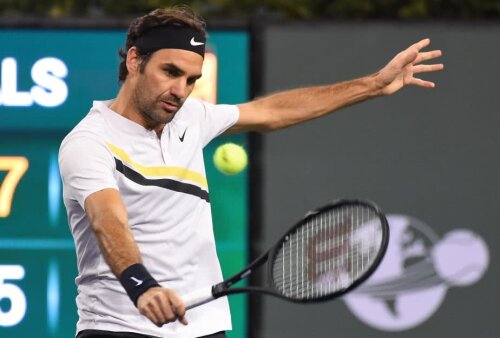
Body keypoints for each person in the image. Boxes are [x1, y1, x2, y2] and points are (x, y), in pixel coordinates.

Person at [58, 5, 443, 338]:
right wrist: (142, 286)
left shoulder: (192, 118)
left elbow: (273, 111)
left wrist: (372, 85)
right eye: (170, 72)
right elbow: (107, 219)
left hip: (204, 326)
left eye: (192, 79)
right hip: (118, 326)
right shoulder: (89, 141)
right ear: (134, 61)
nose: (180, 90)